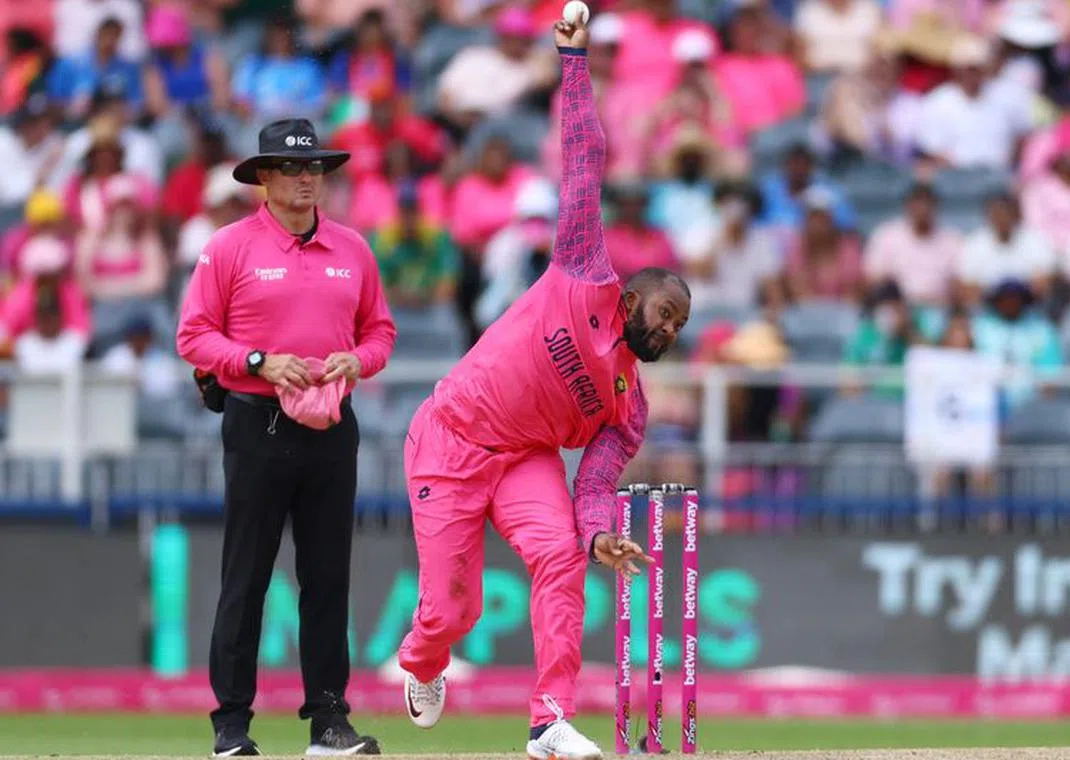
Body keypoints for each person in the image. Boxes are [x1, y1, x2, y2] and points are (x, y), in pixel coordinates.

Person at [397, 15, 690, 760]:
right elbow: (585, 156)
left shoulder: (629, 406)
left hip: (524, 455)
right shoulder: (584, 270)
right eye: (665, 313)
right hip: (452, 436)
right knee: (452, 611)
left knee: (560, 556)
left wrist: (597, 533)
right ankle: (420, 662)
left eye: (681, 325)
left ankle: (547, 720)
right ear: (630, 301)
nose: (671, 331)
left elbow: (594, 479)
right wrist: (572, 60)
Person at [176, 118, 396, 757]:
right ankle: (232, 726)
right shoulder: (229, 247)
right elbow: (194, 337)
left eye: (315, 168)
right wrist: (257, 362)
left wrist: (361, 360)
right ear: (264, 179)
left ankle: (329, 723)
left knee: (328, 577)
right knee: (246, 575)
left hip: (332, 425)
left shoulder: (353, 248)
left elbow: (380, 332)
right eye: (293, 168)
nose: (306, 178)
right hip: (257, 421)